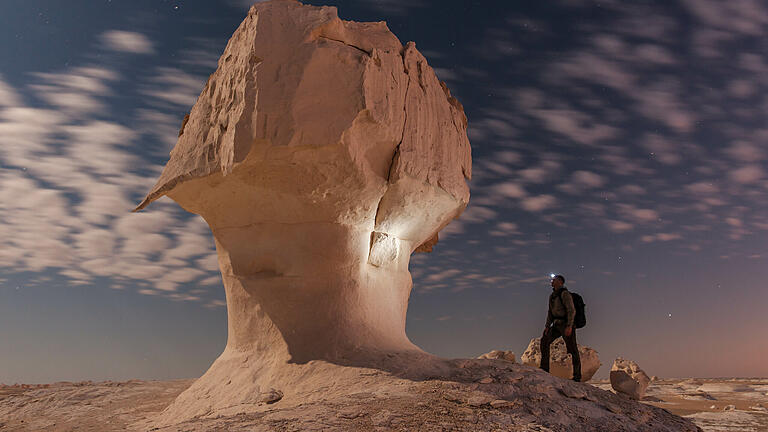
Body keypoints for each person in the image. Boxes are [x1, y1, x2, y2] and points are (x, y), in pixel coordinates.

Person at [540, 274, 581, 382]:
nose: (552, 281)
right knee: (544, 340)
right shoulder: (552, 296)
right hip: (556, 324)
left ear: (560, 282)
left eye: (554, 280)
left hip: (565, 324)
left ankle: (577, 376)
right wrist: (547, 326)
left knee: (572, 349)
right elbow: (550, 312)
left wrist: (569, 326)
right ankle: (544, 369)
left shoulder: (565, 294)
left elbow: (571, 310)